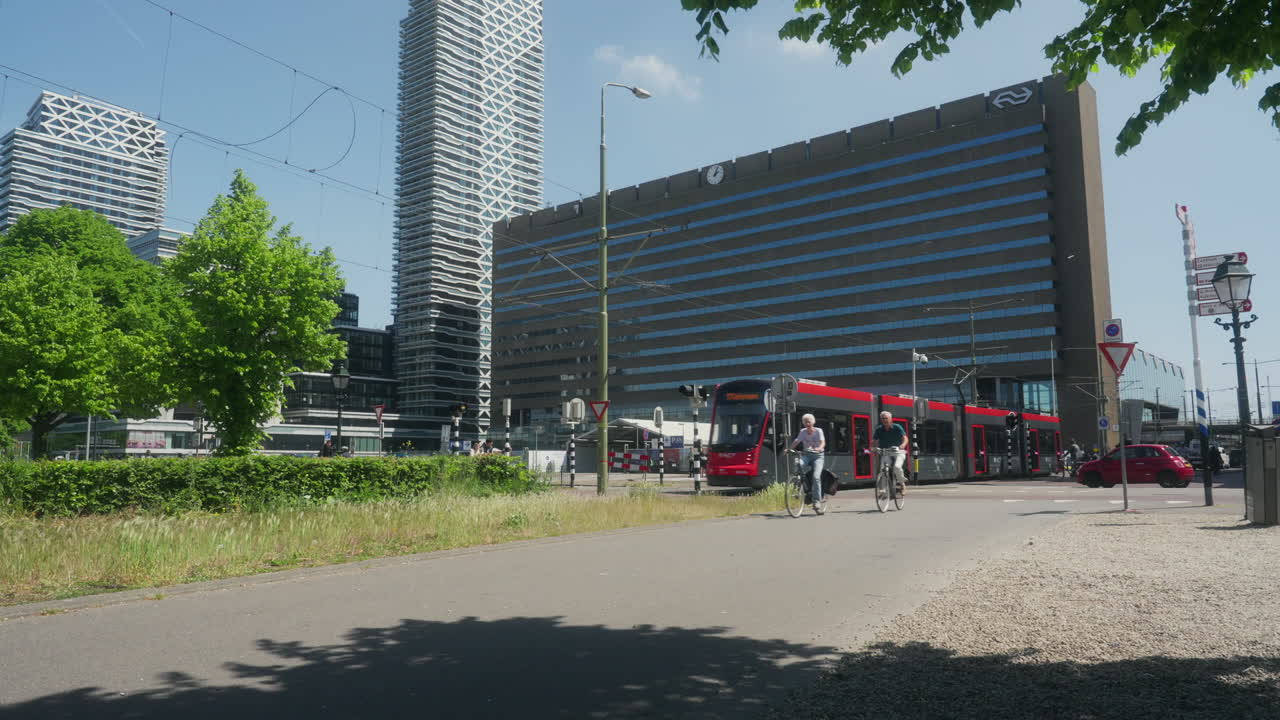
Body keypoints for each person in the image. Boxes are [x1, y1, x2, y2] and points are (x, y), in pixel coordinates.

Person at [788, 413, 826, 514]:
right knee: (799, 464)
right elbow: (797, 441)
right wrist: (789, 449)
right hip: (807, 455)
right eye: (805, 422)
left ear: (813, 422)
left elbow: (823, 442)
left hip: (818, 456)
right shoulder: (803, 432)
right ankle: (798, 485)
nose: (807, 423)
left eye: (809, 421)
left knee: (816, 477)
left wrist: (819, 448)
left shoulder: (818, 431)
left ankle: (816, 501)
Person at [873, 411, 909, 495]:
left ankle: (902, 484)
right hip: (886, 452)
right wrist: (872, 447)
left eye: (886, 418)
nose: (884, 420)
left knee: (896, 467)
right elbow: (874, 440)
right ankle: (883, 489)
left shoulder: (897, 427)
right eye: (882, 418)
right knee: (882, 469)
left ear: (890, 419)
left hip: (898, 451)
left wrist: (903, 445)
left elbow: (905, 438)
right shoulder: (879, 429)